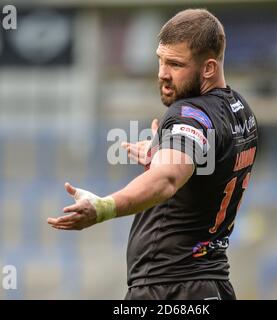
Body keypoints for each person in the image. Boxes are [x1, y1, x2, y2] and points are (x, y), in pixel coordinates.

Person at [47, 8, 258, 300]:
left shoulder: (189, 113)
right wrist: (162, 154)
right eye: (160, 60)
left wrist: (103, 208)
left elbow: (167, 180)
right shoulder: (240, 111)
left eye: (175, 64)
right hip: (213, 285)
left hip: (170, 288)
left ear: (209, 68)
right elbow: (207, 164)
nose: (162, 74)